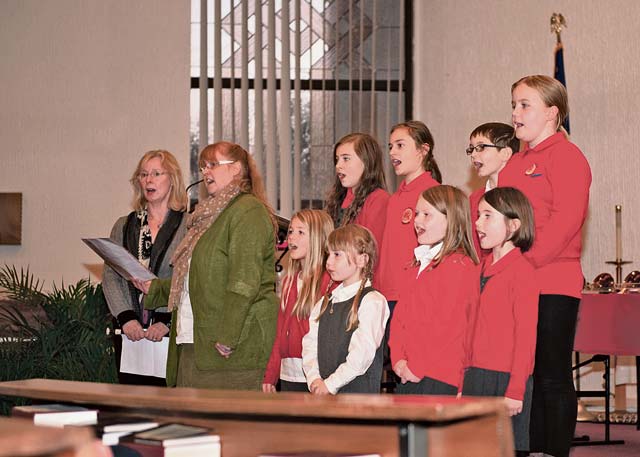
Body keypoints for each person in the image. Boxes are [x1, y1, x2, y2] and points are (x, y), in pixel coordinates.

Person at [133, 141, 279, 390]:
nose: (205, 172)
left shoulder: (248, 211)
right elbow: (199, 280)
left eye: (212, 165)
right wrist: (155, 289)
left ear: (236, 169)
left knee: (229, 427)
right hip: (194, 341)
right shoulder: (207, 217)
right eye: (202, 167)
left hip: (231, 350)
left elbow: (245, 281)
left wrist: (228, 336)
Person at [501, 74, 591, 457]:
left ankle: (554, 451)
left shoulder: (568, 157)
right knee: (522, 373)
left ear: (552, 113)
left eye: (525, 105)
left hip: (554, 281)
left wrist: (524, 263)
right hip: (515, 282)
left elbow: (567, 222)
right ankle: (526, 446)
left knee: (551, 374)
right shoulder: (512, 166)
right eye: (514, 105)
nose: (515, 113)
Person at [102, 149, 188, 386]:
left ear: (173, 179)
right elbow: (111, 276)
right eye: (143, 174)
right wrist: (126, 318)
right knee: (133, 407)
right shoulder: (125, 225)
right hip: (131, 334)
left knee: (170, 408)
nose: (149, 180)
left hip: (172, 333)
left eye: (157, 173)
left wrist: (167, 321)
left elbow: (192, 280)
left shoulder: (189, 225)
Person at [464, 187, 538, 456]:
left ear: (514, 225)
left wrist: (516, 389)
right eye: (477, 215)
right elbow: (468, 331)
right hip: (475, 377)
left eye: (487, 216)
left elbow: (526, 338)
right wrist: (463, 382)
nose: (477, 223)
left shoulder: (523, 273)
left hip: (505, 380)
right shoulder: (478, 270)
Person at [390, 185, 479, 395]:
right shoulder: (415, 266)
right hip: (408, 373)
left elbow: (447, 326)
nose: (418, 221)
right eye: (417, 213)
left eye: (427, 215)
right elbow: (399, 320)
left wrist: (416, 366)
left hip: (439, 376)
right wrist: (398, 360)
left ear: (452, 220)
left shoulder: (459, 266)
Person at [302, 225, 389, 394]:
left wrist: (330, 384)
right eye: (329, 254)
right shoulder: (324, 302)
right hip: (324, 393)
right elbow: (310, 344)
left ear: (362, 260)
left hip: (358, 399)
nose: (328, 262)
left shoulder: (372, 301)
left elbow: (361, 355)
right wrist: (314, 379)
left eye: (337, 255)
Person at [262, 209, 334, 392]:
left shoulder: (329, 282)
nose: (292, 237)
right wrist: (271, 375)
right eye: (291, 231)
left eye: (300, 232)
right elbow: (279, 333)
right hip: (288, 374)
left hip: (314, 375)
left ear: (318, 239)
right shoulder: (288, 281)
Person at [377, 120, 441, 307]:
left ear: (423, 150)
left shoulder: (433, 194)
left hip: (412, 292)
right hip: (386, 292)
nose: (392, 152)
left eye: (400, 145)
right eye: (390, 146)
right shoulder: (395, 198)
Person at [324, 132, 389, 251]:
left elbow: (370, 250)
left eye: (346, 159)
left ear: (367, 162)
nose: (338, 165)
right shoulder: (338, 198)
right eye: (337, 160)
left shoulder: (379, 199)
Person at [466, 122, 520, 257]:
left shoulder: (520, 195)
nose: (473, 154)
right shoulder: (474, 199)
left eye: (481, 147)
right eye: (471, 149)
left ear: (505, 153)